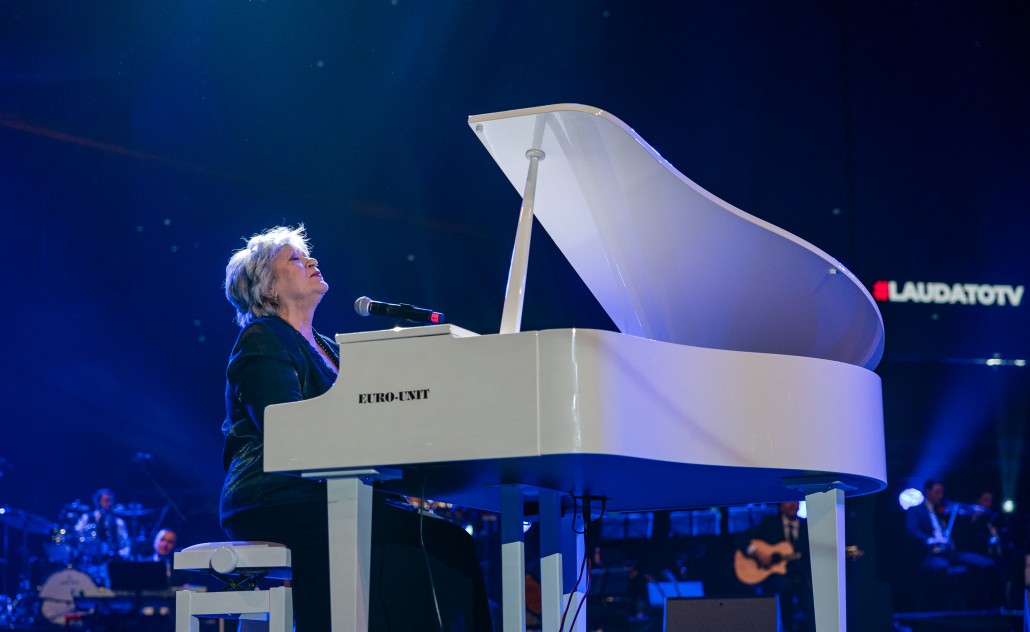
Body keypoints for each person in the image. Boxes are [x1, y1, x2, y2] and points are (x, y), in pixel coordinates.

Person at [220, 225, 491, 631]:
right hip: (274, 494)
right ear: (269, 288)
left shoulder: (331, 348)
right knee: (429, 542)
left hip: (332, 490)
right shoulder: (262, 337)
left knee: (447, 541)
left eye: (308, 255)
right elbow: (285, 426)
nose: (311, 261)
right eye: (295, 259)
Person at [904, 479, 1000, 609]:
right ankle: (951, 608)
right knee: (944, 569)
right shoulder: (916, 510)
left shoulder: (944, 511)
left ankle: (980, 604)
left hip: (951, 553)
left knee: (988, 564)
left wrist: (973, 519)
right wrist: (930, 540)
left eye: (942, 492)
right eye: (937, 492)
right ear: (927, 492)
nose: (941, 496)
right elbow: (912, 530)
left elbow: (961, 531)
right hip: (931, 554)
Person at [736, 502, 813, 632]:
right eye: (788, 502)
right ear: (780, 505)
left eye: (795, 502)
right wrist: (756, 553)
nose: (792, 505)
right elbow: (741, 539)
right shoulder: (769, 523)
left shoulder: (808, 526)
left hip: (803, 580)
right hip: (777, 583)